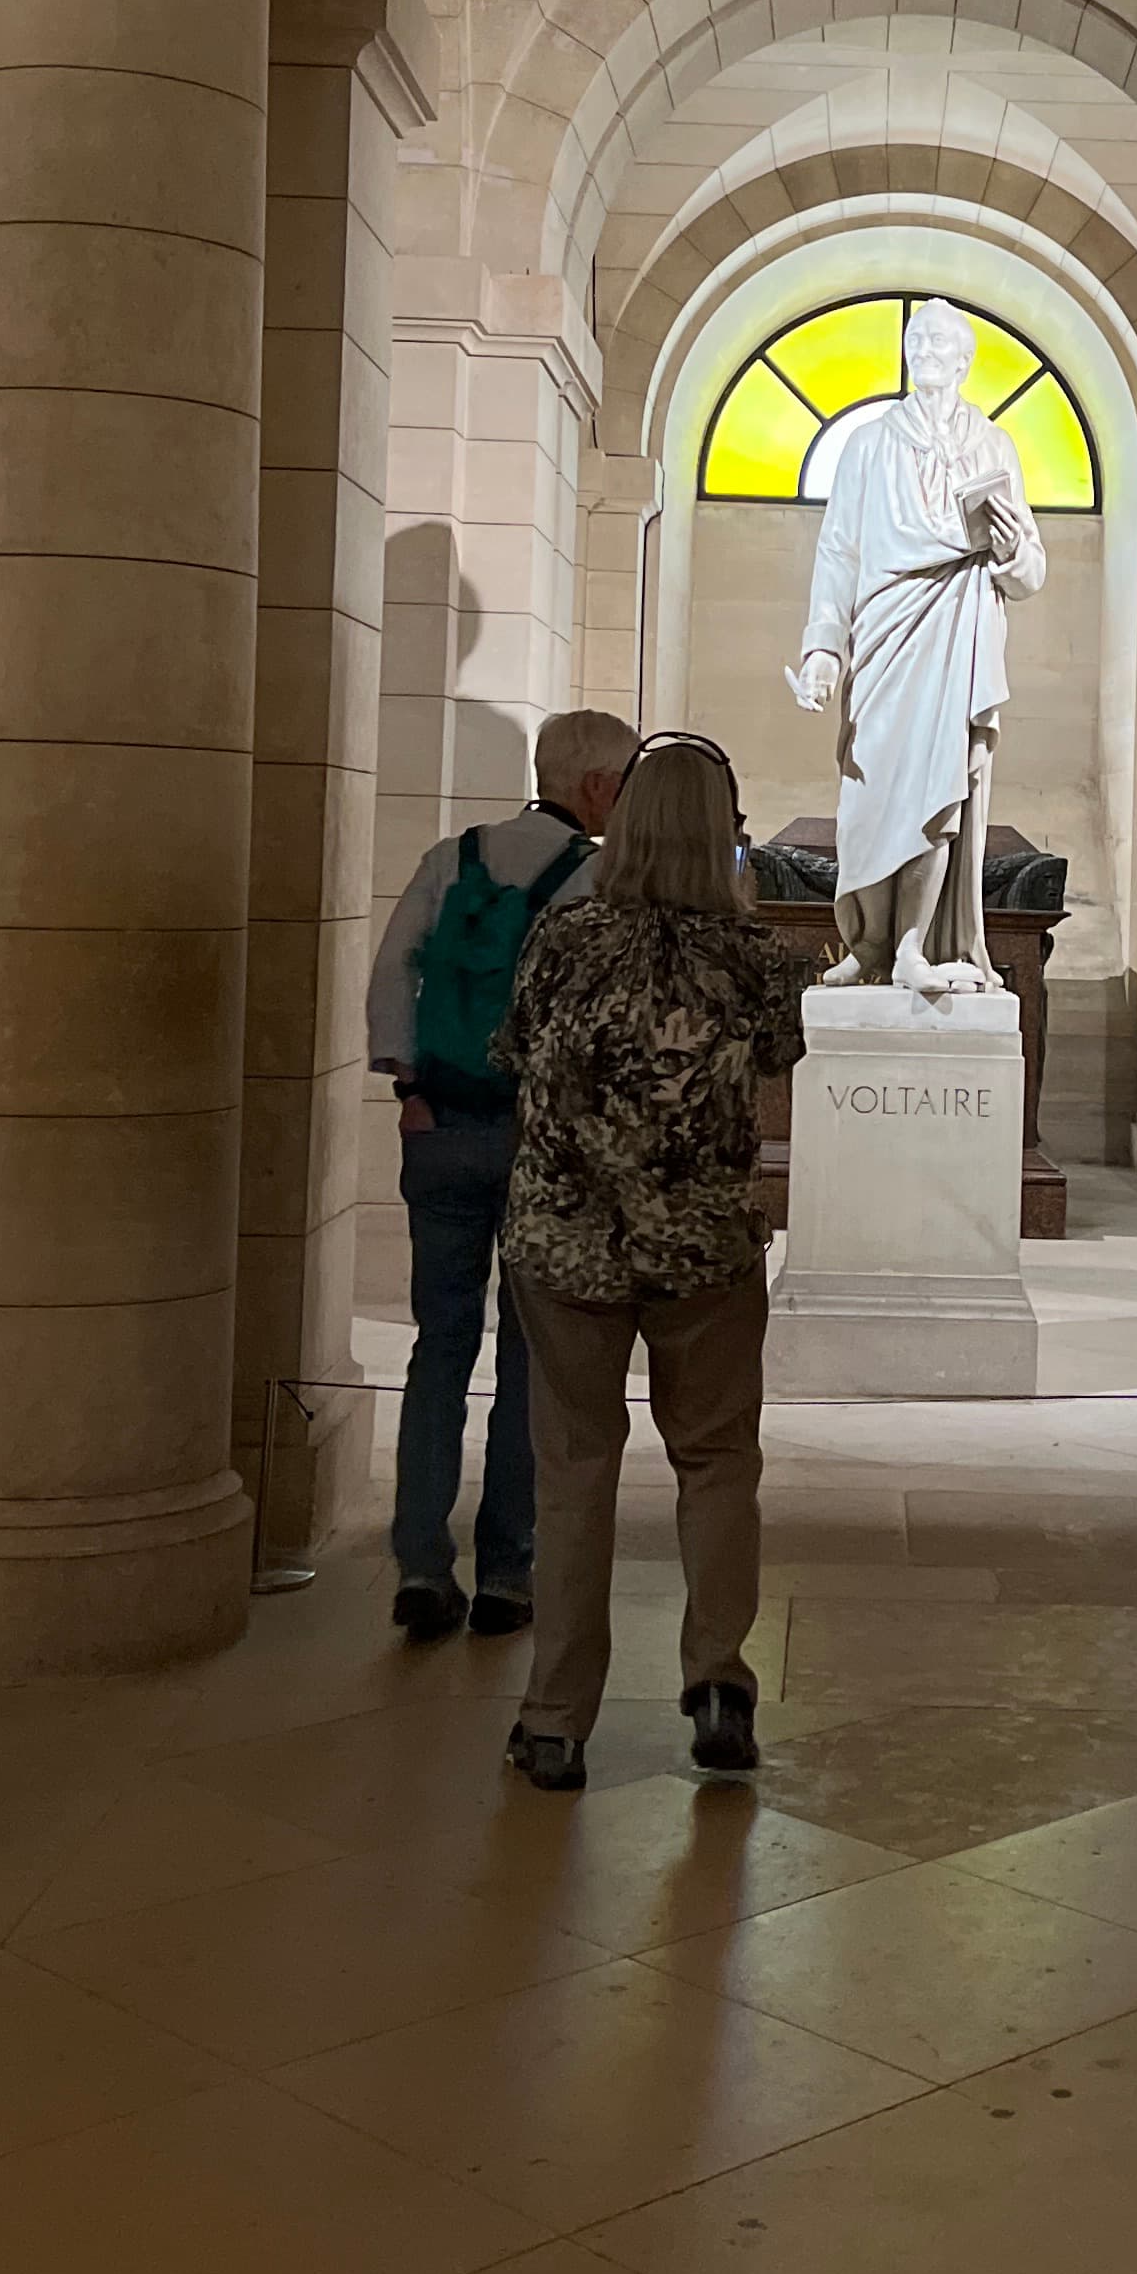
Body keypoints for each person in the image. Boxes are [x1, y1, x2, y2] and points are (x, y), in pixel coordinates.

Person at [491, 733, 807, 1792]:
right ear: (727, 831)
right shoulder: (757, 959)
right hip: (704, 1245)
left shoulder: (563, 937)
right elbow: (772, 1058)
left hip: (566, 1241)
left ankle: (554, 1721)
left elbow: (516, 1053)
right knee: (716, 1464)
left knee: (575, 1470)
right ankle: (718, 1680)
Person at [365, 705, 639, 1641]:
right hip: (543, 1148)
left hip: (440, 1128)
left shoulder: (455, 857)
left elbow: (392, 972)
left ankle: (418, 1563)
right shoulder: (603, 876)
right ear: (598, 786)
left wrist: (411, 1091)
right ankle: (509, 1573)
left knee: (437, 1348)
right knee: (532, 1360)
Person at [787, 294, 1045, 990]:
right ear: (907, 354)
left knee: (939, 794)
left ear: (964, 361)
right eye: (919, 343)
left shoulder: (992, 446)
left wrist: (1015, 552)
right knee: (870, 797)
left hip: (956, 630)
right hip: (882, 634)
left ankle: (911, 950)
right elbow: (838, 550)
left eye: (942, 345)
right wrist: (822, 649)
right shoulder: (869, 445)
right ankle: (867, 948)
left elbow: (1029, 573)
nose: (928, 354)